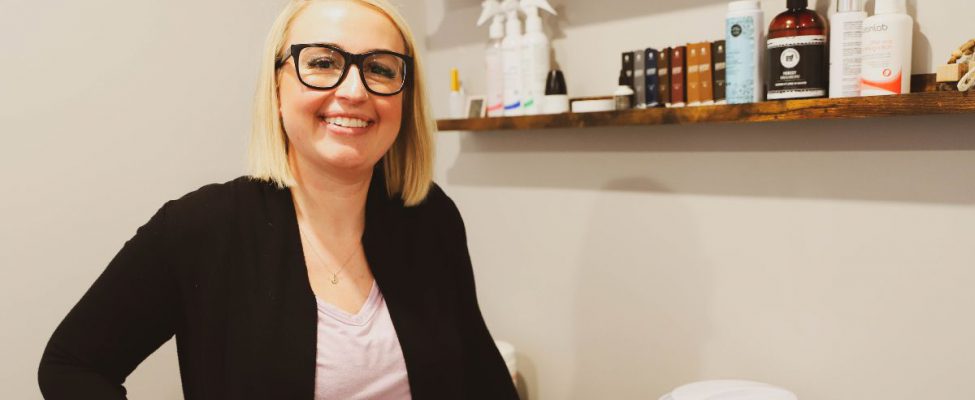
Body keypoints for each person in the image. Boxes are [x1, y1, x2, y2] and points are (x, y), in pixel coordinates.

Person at [37, 0, 519, 398]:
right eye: (323, 63)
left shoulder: (428, 216)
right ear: (277, 85)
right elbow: (71, 366)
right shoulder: (200, 228)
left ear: (405, 96)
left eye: (380, 68)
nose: (353, 90)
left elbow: (481, 374)